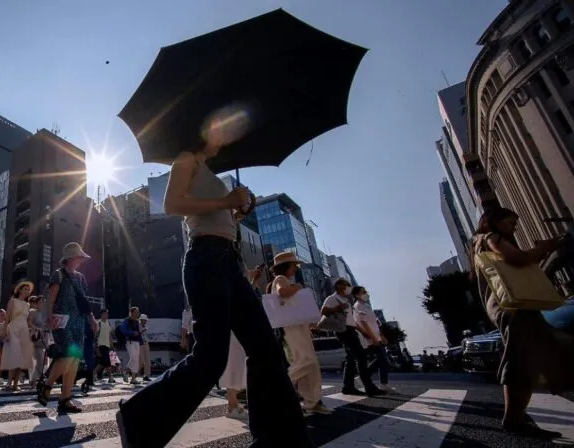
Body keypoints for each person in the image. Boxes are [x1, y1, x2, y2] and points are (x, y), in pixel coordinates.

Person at [115, 138, 311, 447]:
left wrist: (237, 213)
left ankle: (280, 436)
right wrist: (226, 202)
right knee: (211, 356)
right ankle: (138, 418)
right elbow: (171, 204)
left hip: (229, 260)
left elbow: (218, 218)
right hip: (206, 258)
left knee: (265, 348)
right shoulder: (186, 158)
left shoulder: (211, 173)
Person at [471, 207, 574, 438]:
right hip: (513, 306)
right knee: (522, 359)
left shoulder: (480, 242)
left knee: (543, 350)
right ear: (494, 222)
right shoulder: (490, 237)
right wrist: (542, 248)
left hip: (513, 306)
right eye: (509, 223)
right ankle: (513, 421)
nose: (513, 228)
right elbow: (515, 259)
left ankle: (514, 420)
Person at [269, 251, 332, 415]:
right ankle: (281, 386)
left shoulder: (287, 280)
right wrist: (297, 288)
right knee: (306, 361)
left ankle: (311, 402)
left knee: (309, 365)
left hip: (298, 325)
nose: (295, 269)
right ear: (286, 266)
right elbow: (282, 292)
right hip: (292, 327)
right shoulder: (281, 279)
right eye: (294, 266)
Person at [38, 242, 97, 413]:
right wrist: (49, 318)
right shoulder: (58, 275)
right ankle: (47, 385)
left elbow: (83, 302)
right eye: (79, 257)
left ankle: (65, 398)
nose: (81, 260)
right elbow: (51, 298)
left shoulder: (80, 278)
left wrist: (91, 319)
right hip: (61, 322)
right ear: (71, 258)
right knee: (66, 357)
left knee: (74, 361)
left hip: (78, 323)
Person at [323, 278, 384, 397]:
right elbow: (324, 311)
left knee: (351, 359)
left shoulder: (346, 300)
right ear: (339, 286)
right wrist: (337, 308)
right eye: (346, 285)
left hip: (351, 330)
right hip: (343, 330)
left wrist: (362, 331)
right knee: (361, 356)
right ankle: (369, 387)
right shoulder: (332, 298)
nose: (348, 287)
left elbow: (352, 320)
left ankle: (348, 386)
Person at [352, 286, 390, 390]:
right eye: (363, 292)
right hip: (370, 337)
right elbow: (363, 323)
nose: (366, 294)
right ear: (356, 295)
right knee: (383, 360)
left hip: (376, 336)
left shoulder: (366, 305)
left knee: (382, 360)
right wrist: (373, 338)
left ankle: (364, 378)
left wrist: (381, 336)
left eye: (365, 292)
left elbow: (375, 323)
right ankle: (382, 384)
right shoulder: (358, 306)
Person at [2, 281, 35, 391]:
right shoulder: (12, 301)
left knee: (21, 358)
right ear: (19, 290)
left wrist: (36, 328)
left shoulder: (28, 305)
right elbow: (7, 318)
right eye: (25, 289)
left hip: (24, 331)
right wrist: (4, 331)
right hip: (13, 330)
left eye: (28, 290)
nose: (27, 291)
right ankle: (8, 383)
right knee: (14, 356)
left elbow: (28, 321)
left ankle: (16, 384)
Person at [122, 307, 143, 385]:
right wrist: (132, 333)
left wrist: (140, 333)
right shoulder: (126, 321)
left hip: (137, 342)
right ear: (132, 312)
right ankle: (126, 371)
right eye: (136, 312)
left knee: (136, 359)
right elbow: (123, 330)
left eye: (138, 312)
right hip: (129, 342)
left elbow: (138, 332)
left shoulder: (137, 322)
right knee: (134, 358)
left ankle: (133, 378)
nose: (138, 313)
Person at [94, 309, 115, 383]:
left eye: (107, 314)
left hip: (107, 345)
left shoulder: (108, 323)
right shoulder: (98, 323)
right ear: (102, 314)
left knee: (103, 362)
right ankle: (110, 377)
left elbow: (109, 335)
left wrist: (111, 344)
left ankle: (93, 374)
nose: (106, 315)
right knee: (107, 362)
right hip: (101, 345)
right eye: (105, 314)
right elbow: (96, 335)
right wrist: (96, 347)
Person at [138, 314, 151, 382]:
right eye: (144, 320)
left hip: (146, 343)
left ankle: (146, 375)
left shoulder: (145, 326)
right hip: (140, 344)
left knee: (147, 360)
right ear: (141, 320)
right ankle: (134, 372)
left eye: (146, 320)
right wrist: (142, 330)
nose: (145, 321)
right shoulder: (138, 326)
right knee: (141, 360)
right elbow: (138, 333)